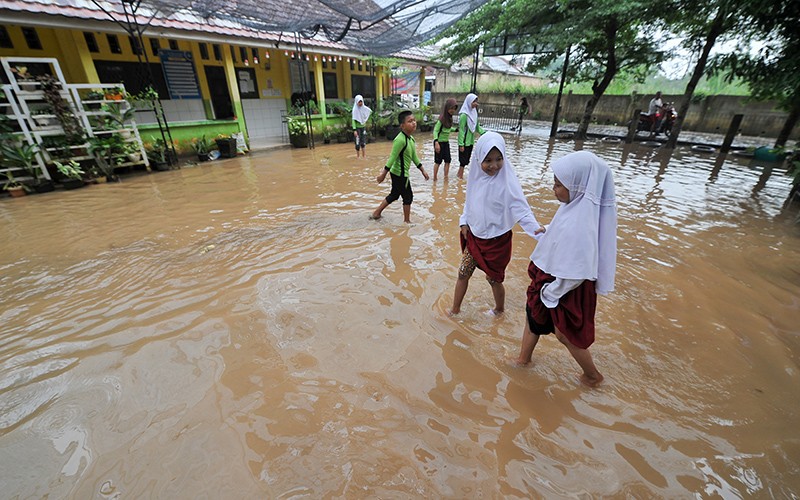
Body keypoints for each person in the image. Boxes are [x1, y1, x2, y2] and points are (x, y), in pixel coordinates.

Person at [511, 151, 617, 388]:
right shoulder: (574, 208)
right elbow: (562, 228)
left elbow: (578, 271)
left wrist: (552, 292)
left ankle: (592, 376)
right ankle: (523, 359)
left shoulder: (583, 225)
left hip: (564, 285)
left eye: (559, 185)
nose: (554, 189)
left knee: (565, 334)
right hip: (551, 276)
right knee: (533, 314)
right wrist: (547, 229)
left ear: (578, 186)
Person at [449, 131, 545, 316]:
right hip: (475, 238)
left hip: (497, 243)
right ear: (478, 159)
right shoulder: (475, 178)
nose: (494, 165)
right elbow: (469, 203)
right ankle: (454, 310)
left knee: (493, 280)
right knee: (463, 273)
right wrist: (464, 222)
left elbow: (521, 209)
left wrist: (537, 230)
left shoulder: (506, 183)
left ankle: (499, 310)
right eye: (488, 160)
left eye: (499, 159)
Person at [371, 110, 430, 223]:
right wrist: (383, 174)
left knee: (394, 195)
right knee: (408, 197)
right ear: (402, 126)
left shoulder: (410, 139)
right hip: (400, 174)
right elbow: (392, 158)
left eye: (414, 120)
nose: (414, 123)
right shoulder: (400, 140)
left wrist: (423, 170)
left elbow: (414, 156)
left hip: (398, 173)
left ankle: (376, 213)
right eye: (410, 121)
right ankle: (407, 222)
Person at [457, 93, 486, 180]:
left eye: (476, 102)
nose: (476, 104)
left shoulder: (474, 113)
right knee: (463, 161)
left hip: (470, 141)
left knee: (466, 161)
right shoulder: (464, 115)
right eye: (474, 102)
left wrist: (485, 133)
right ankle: (460, 178)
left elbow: (477, 127)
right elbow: (461, 130)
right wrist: (461, 144)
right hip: (464, 141)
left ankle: (459, 175)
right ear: (469, 102)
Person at [432, 98, 459, 181]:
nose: (452, 110)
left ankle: (445, 177)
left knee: (448, 160)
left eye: (454, 109)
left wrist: (455, 130)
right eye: (451, 108)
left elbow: (447, 129)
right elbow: (435, 131)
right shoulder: (442, 119)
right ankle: (435, 178)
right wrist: (436, 142)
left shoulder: (449, 119)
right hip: (439, 143)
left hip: (446, 143)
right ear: (447, 108)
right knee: (438, 162)